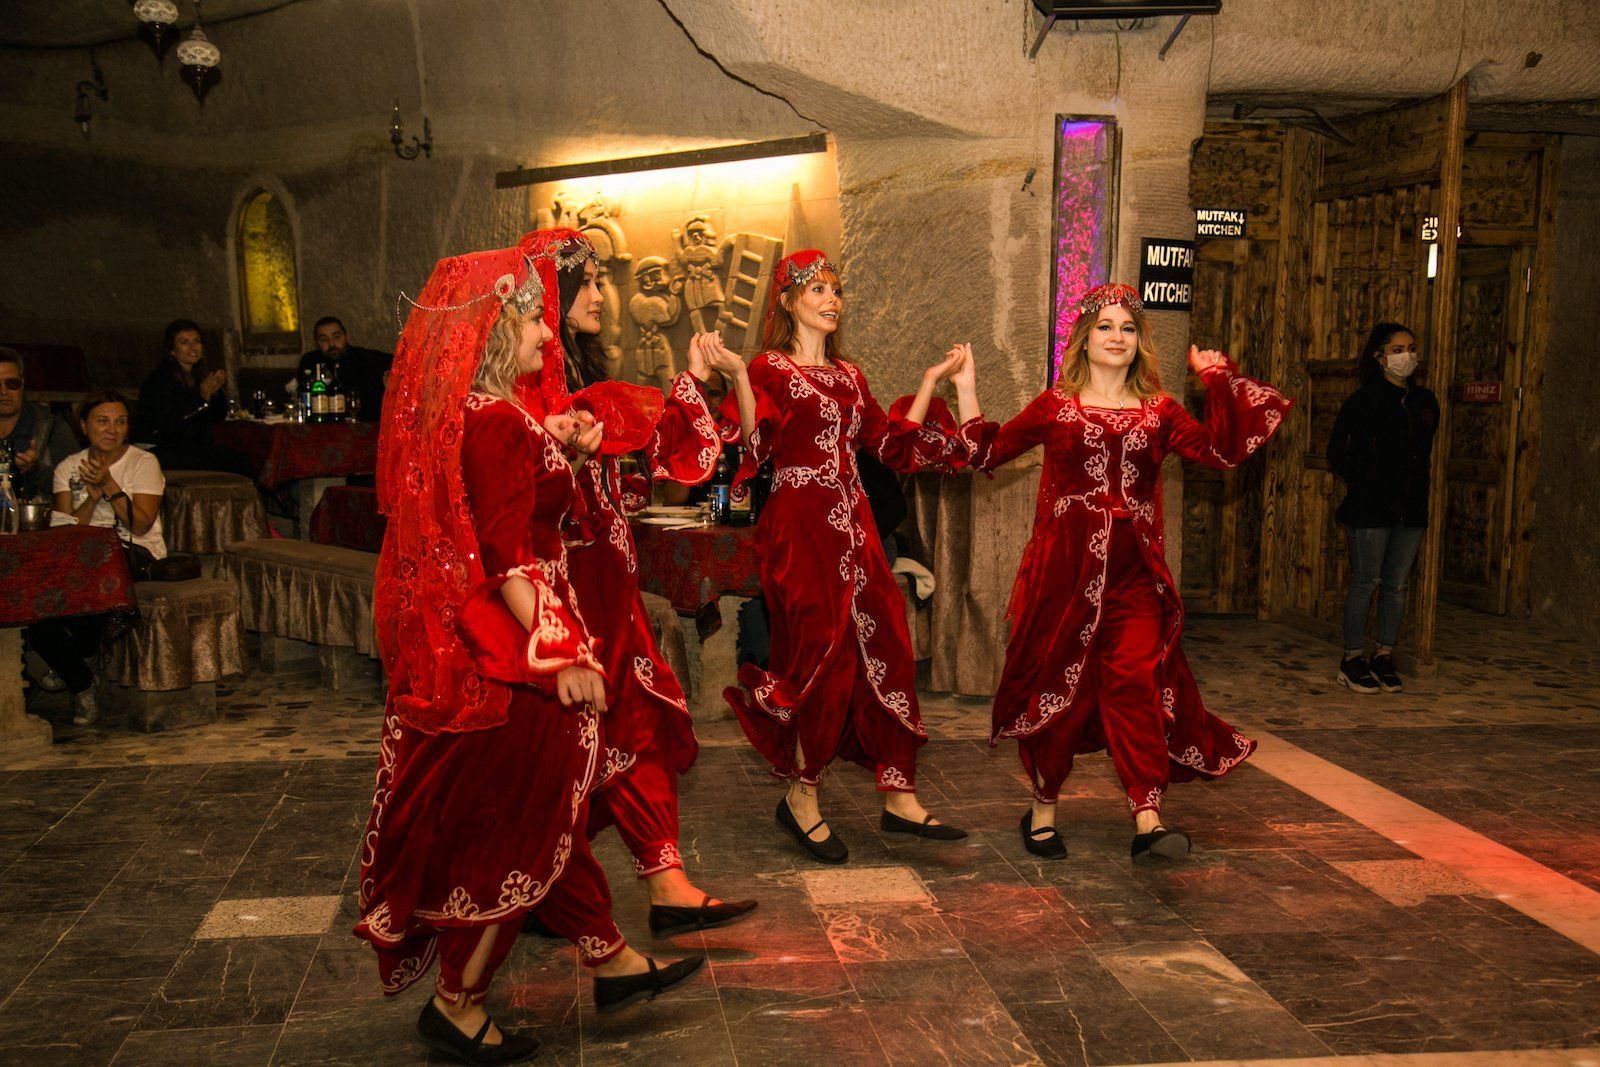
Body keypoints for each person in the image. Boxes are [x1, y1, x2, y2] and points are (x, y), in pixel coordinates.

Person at [355, 242, 703, 1064]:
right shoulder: (497, 424)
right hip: (518, 652)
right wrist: (557, 655)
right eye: (535, 319)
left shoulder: (491, 417)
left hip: (518, 638)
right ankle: (458, 1002)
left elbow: (510, 512)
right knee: (520, 827)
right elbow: (510, 556)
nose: (548, 337)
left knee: (547, 818)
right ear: (494, 327)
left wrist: (563, 452)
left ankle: (610, 955)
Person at [961, 283, 1292, 863]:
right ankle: (1042, 807)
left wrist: (1217, 378)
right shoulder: (1056, 404)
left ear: (1140, 343)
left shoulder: (1160, 410)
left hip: (1136, 576)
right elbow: (987, 454)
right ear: (1084, 339)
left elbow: (1221, 451)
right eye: (1106, 326)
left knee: (1135, 681)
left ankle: (1147, 816)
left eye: (1129, 328)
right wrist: (964, 386)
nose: (1117, 337)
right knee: (1056, 689)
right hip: (1064, 576)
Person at [516, 226, 757, 935]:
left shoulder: (582, 378)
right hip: (564, 592)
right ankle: (541, 883)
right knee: (583, 740)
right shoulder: (527, 388)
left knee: (630, 726)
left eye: (598, 279)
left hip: (606, 584)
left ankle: (657, 881)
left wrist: (691, 381)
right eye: (585, 284)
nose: (600, 293)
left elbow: (648, 440)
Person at [711, 249, 975, 865]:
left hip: (854, 523)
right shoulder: (770, 366)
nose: (831, 300)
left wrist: (933, 381)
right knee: (819, 657)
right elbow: (755, 445)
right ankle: (801, 799)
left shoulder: (850, 375)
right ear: (787, 301)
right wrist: (740, 379)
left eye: (836, 289)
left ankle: (899, 794)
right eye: (817, 289)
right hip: (799, 524)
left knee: (889, 644)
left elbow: (884, 441)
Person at [38, 389, 167, 726]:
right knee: (38, 613)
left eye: (120, 422)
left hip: (133, 552)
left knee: (94, 588)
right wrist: (92, 499)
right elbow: (65, 530)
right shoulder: (68, 466)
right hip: (79, 555)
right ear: (84, 426)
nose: (111, 429)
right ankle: (82, 679)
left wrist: (110, 485)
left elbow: (140, 524)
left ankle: (73, 669)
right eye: (102, 421)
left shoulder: (143, 462)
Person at [1326, 322, 1439, 694]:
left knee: (1396, 585)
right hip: (1371, 509)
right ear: (1380, 358)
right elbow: (1338, 452)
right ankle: (1352, 657)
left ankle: (1384, 654)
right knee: (1366, 581)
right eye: (1397, 349)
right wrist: (1366, 482)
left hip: (1412, 511)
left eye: (1411, 348)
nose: (1407, 356)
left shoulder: (1425, 403)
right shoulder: (1364, 400)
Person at [132, 320, 252, 477]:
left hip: (185, 446)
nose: (193, 347)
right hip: (156, 448)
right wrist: (202, 399)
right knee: (234, 461)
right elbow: (170, 424)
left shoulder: (197, 377)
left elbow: (217, 417)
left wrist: (215, 393)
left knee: (241, 455)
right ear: (172, 350)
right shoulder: (160, 379)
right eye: (184, 342)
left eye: (197, 341)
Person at [0, 347, 79, 500]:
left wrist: (35, 470)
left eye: (12, 383)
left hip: (38, 518)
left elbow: (76, 486)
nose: (4, 391)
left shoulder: (51, 426)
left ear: (22, 383)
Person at [296, 316, 392, 422]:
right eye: (324, 339)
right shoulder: (310, 361)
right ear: (316, 343)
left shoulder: (366, 358)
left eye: (336, 337)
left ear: (346, 336)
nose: (331, 344)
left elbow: (397, 361)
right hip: (320, 425)